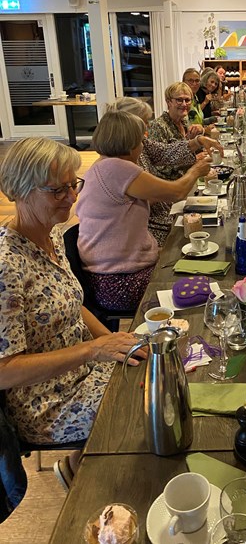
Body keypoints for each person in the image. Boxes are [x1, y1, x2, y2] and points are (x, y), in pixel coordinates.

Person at [0, 137, 144, 482]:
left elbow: (72, 304)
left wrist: (116, 342)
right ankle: (108, 480)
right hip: (45, 400)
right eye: (57, 191)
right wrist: (94, 350)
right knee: (144, 405)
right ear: (18, 191)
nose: (72, 197)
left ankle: (78, 465)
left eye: (72, 185)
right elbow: (4, 370)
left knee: (156, 370)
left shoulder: (49, 236)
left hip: (82, 369)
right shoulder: (7, 265)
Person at [76, 110, 211, 312]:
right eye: (141, 140)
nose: (143, 146)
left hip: (107, 277)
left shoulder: (101, 165)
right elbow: (177, 192)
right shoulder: (118, 168)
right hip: (120, 282)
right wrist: (196, 170)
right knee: (202, 283)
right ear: (130, 144)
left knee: (193, 260)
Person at [108, 97, 222, 245]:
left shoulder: (137, 143)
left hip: (162, 216)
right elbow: (174, 193)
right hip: (150, 229)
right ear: (129, 124)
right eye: (144, 121)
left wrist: (198, 141)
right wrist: (195, 170)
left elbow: (165, 152)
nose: (148, 125)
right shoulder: (120, 163)